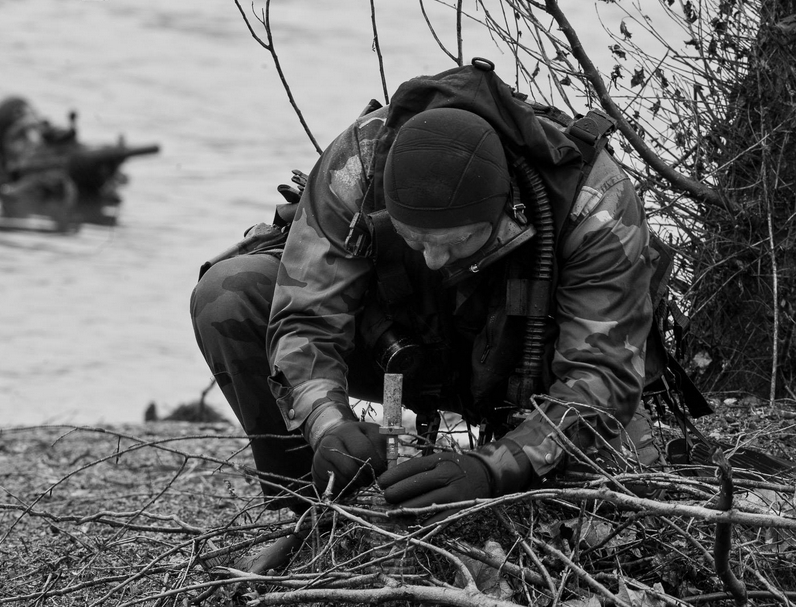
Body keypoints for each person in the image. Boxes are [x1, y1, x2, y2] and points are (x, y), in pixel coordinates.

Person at [190, 59, 662, 514]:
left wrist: (492, 469)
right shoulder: (359, 164)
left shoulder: (594, 199)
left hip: (535, 365)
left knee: (628, 497)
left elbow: (600, 375)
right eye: (415, 241)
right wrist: (328, 425)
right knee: (229, 293)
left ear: (504, 213)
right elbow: (305, 318)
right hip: (401, 345)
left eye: (457, 243)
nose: (433, 259)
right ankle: (316, 509)